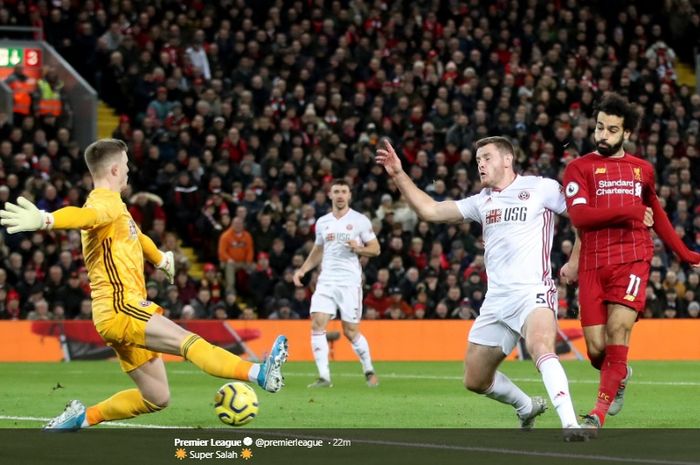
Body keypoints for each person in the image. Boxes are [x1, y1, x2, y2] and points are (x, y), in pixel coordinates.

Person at [0, 138, 288, 430]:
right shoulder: (104, 202)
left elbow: (138, 236)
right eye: (125, 166)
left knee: (156, 397)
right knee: (188, 342)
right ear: (113, 170)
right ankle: (259, 373)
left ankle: (82, 418)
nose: (128, 171)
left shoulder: (117, 209)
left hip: (112, 315)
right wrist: (46, 219)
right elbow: (84, 217)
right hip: (122, 305)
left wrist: (161, 259)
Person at [377, 137, 585, 439]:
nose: (481, 165)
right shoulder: (481, 201)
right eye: (477, 161)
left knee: (540, 346)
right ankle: (526, 405)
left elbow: (581, 218)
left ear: (507, 159)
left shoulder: (542, 188)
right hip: (496, 300)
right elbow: (431, 211)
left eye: (486, 158)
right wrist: (397, 173)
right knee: (475, 378)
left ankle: (571, 424)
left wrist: (575, 261)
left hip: (533, 291)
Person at [561, 92, 700, 430]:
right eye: (599, 128)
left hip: (632, 258)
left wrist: (686, 255)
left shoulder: (642, 170)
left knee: (618, 329)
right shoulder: (579, 169)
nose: (603, 135)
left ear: (627, 134)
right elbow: (581, 217)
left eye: (611, 130)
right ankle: (619, 374)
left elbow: (659, 216)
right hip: (594, 265)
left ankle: (597, 414)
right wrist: (632, 210)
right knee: (597, 350)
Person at [292, 179, 381, 388]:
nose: (340, 195)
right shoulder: (322, 222)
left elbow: (375, 249)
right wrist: (303, 270)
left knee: (350, 332)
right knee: (317, 322)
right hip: (326, 281)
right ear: (330, 195)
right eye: (336, 192)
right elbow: (318, 249)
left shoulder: (360, 221)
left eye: (344, 191)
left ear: (349, 195)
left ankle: (368, 369)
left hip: (349, 282)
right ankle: (324, 377)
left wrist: (358, 248)